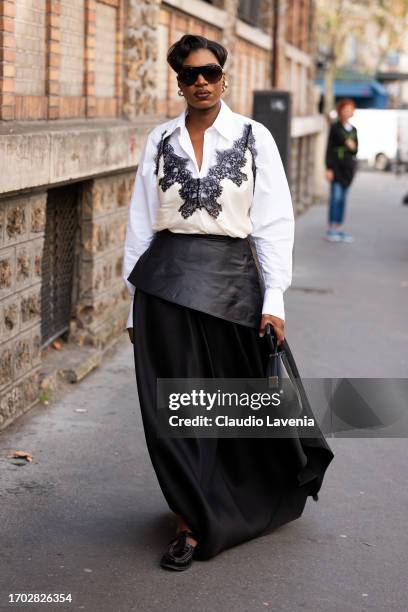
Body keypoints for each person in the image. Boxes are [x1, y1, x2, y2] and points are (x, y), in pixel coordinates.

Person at [123, 34, 334, 570]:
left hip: (232, 285)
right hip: (164, 286)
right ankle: (189, 521)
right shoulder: (159, 139)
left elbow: (271, 222)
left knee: (223, 404)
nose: (201, 82)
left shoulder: (253, 136)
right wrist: (132, 305)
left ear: (224, 77)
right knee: (170, 408)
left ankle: (230, 497)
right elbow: (140, 224)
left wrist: (275, 299)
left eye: (210, 73)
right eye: (190, 74)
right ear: (178, 81)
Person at [325, 98, 358, 242]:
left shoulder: (354, 130)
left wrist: (352, 146)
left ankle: (339, 228)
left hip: (348, 169)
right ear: (340, 111)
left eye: (350, 109)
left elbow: (356, 150)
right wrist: (328, 168)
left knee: (343, 199)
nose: (347, 112)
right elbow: (329, 149)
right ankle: (331, 228)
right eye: (345, 109)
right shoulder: (335, 127)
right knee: (336, 198)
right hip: (336, 167)